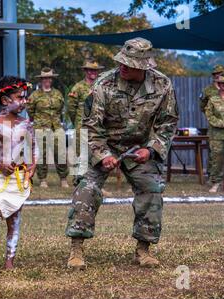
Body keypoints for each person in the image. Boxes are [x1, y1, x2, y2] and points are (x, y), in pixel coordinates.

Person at [65, 38, 178, 270]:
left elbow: (168, 123)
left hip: (139, 147)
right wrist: (102, 154)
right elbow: (90, 125)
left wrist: (152, 148)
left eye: (129, 63)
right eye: (121, 61)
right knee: (86, 188)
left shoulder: (162, 84)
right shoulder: (104, 84)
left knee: (151, 189)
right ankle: (76, 249)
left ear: (144, 66)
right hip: (102, 143)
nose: (122, 66)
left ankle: (143, 250)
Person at [0, 76, 36, 273]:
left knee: (14, 218)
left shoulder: (26, 124)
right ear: (5, 100)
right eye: (20, 97)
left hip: (17, 177)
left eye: (25, 97)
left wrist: (32, 166)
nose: (24, 101)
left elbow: (32, 148)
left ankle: (10, 258)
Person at [67, 59, 112, 196]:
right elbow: (71, 108)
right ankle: (78, 183)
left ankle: (94, 184)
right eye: (90, 70)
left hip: (99, 126)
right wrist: (77, 122)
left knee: (96, 153)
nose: (93, 73)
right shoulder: (78, 87)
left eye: (95, 70)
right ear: (86, 71)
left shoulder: (102, 86)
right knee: (80, 154)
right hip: (82, 125)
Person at [27, 67, 69, 188]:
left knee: (60, 153)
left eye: (49, 78)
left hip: (56, 127)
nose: (47, 80)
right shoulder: (35, 95)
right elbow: (30, 111)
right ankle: (43, 179)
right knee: (41, 155)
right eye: (44, 78)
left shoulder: (57, 94)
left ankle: (63, 178)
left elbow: (61, 108)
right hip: (40, 127)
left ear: (51, 79)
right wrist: (38, 121)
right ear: (41, 80)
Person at [200, 65, 224, 177]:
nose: (218, 75)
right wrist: (214, 117)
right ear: (213, 76)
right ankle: (212, 175)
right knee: (215, 151)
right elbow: (202, 106)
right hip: (216, 126)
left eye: (220, 73)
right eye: (215, 74)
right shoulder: (208, 90)